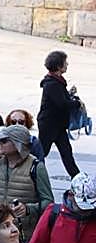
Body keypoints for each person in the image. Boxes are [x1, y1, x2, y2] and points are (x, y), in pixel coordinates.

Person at [0, 124, 54, 239]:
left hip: (25, 235)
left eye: (4, 141)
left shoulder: (36, 167)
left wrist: (28, 209)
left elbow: (48, 202)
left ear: (18, 144)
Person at [38, 50, 84, 178]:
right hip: (49, 125)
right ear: (58, 66)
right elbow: (62, 103)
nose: (67, 64)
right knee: (41, 153)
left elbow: (62, 100)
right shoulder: (51, 84)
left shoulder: (57, 82)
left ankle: (78, 179)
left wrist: (71, 96)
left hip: (58, 125)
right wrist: (76, 103)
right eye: (65, 62)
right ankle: (31, 175)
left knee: (67, 153)